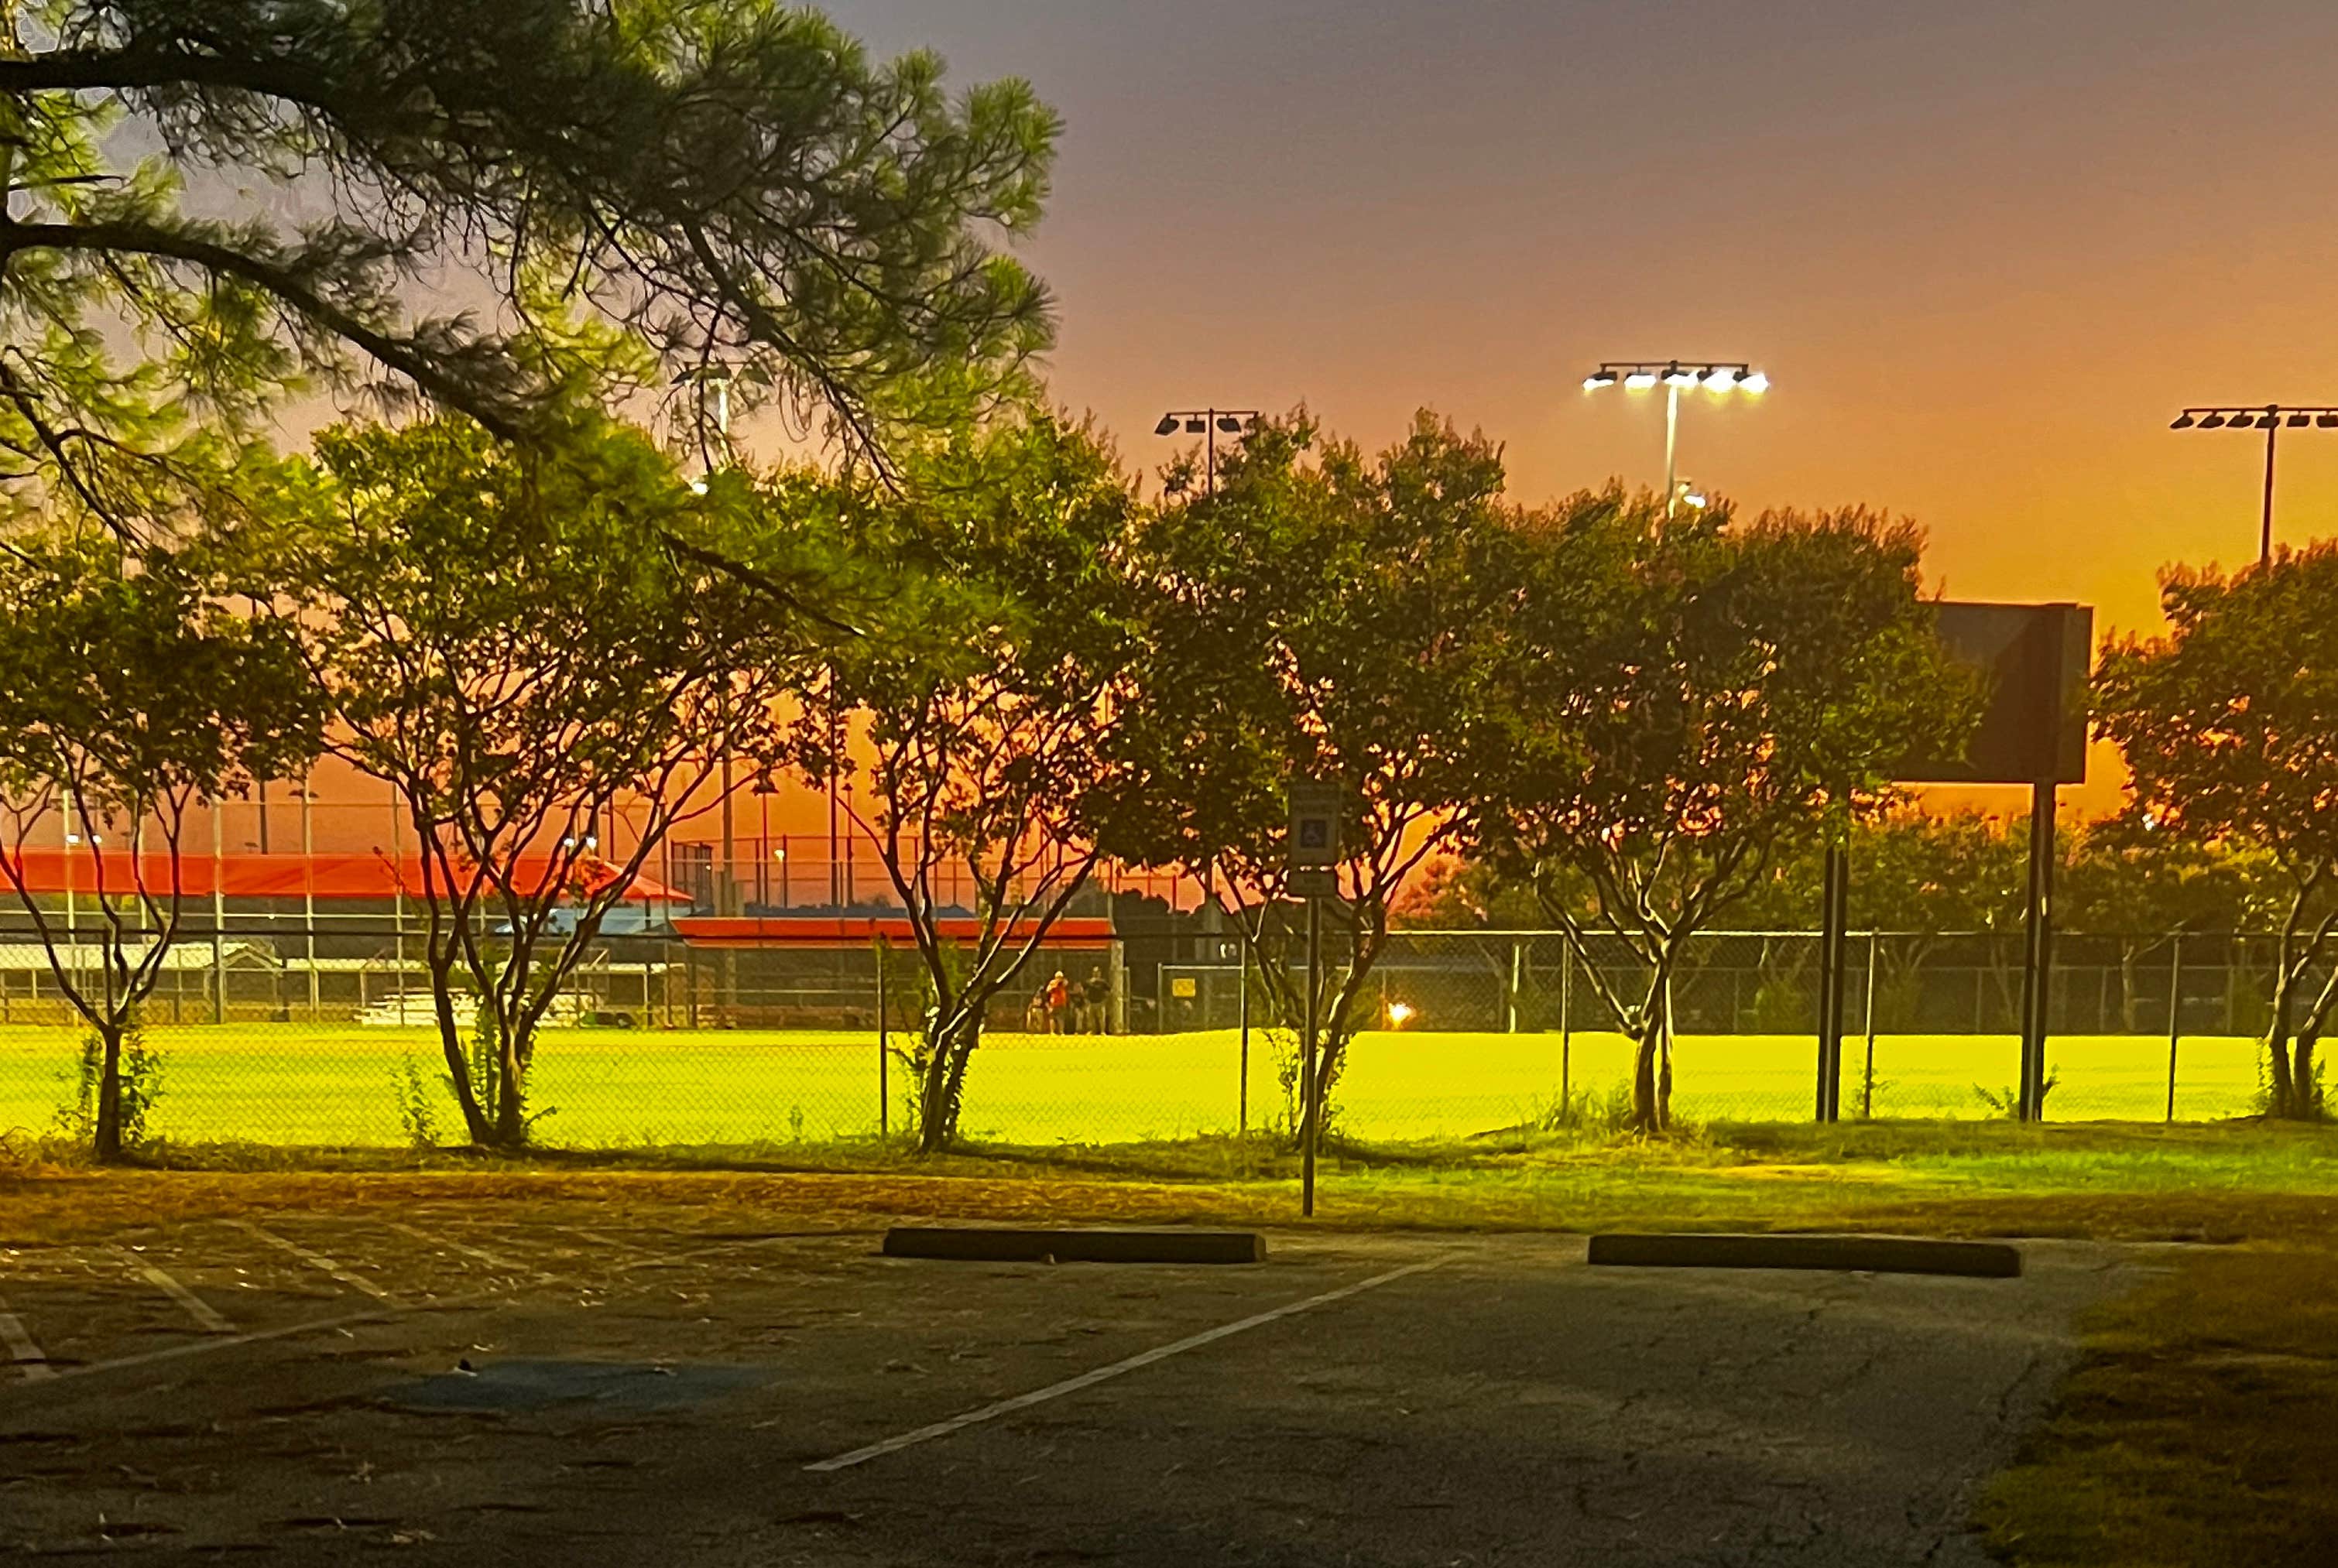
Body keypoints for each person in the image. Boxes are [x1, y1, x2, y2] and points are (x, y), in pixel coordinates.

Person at [1082, 967, 1112, 1034]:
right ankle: (1092, 1031)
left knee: (1101, 1019)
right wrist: (1086, 1000)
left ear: (1100, 973)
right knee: (1091, 1019)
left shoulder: (1103, 982)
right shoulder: (1089, 982)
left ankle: (1102, 1031)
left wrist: (1105, 1000)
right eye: (1095, 972)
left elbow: (1109, 991)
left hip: (1100, 1003)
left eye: (1098, 972)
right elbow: (1083, 991)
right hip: (1091, 1003)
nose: (1096, 973)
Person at [1044, 970, 1070, 1034]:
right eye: (1058, 977)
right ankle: (1052, 1031)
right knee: (1052, 1017)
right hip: (1054, 1002)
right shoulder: (1052, 982)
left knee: (1061, 1018)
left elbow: (1066, 983)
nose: (1060, 978)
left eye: (1061, 977)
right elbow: (1048, 990)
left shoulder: (1063, 982)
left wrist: (1060, 982)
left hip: (1062, 1002)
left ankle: (1061, 1031)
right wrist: (1054, 986)